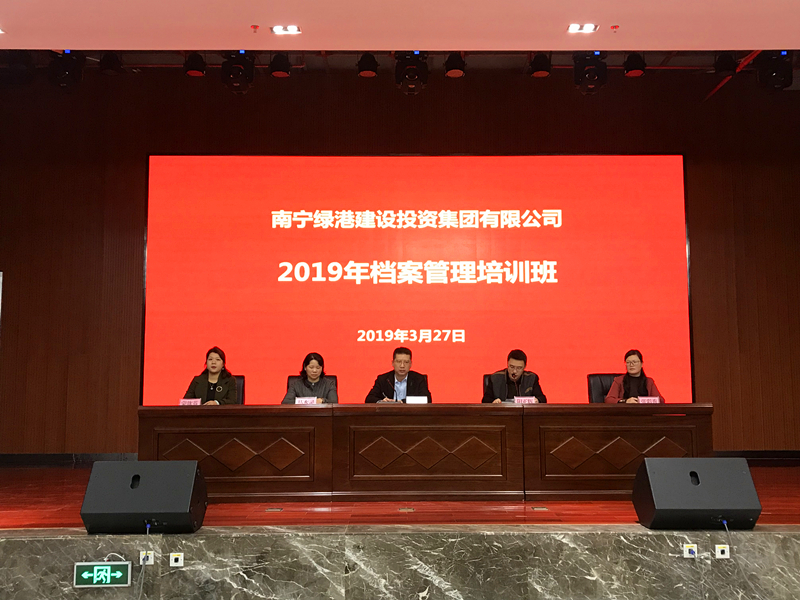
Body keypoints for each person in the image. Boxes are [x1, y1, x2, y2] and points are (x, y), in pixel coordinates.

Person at [365, 347, 432, 403]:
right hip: (388, 414)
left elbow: (427, 399)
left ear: (410, 364)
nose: (402, 366)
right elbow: (369, 399)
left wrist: (403, 402)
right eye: (399, 362)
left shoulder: (418, 379)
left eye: (406, 362)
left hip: (411, 414)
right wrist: (382, 401)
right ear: (393, 363)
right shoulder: (383, 379)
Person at [482, 349, 547, 403]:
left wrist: (537, 400)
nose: (514, 371)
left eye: (519, 368)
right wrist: (493, 402)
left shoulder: (531, 379)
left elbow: (542, 399)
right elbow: (485, 400)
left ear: (524, 367)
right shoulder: (495, 378)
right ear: (507, 364)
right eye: (512, 367)